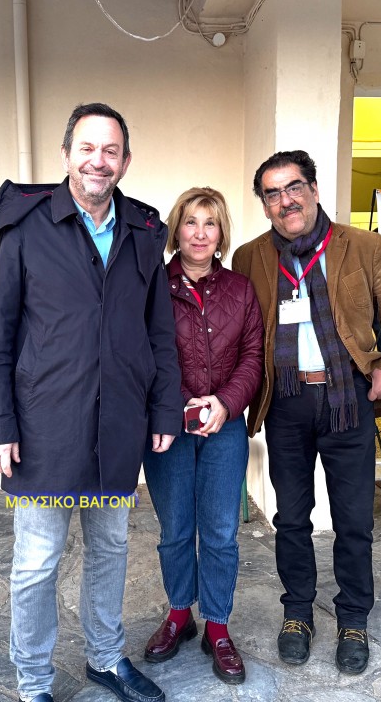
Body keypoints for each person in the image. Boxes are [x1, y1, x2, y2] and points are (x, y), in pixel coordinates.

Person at [0, 102, 182, 702]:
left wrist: (164, 410)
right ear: (66, 154)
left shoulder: (143, 232)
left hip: (118, 424)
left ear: (125, 161)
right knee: (38, 561)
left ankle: (105, 658)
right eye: (87, 148)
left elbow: (158, 332)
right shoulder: (26, 227)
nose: (99, 160)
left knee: (111, 550)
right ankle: (34, 681)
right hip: (45, 428)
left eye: (110, 150)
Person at [231, 150, 381, 675]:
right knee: (291, 518)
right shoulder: (249, 258)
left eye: (294, 187)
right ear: (265, 205)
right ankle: (297, 612)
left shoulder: (362, 246)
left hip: (347, 400)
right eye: (273, 193)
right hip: (286, 403)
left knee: (354, 520)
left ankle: (353, 618)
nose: (285, 200)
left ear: (313, 190)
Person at [141, 187, 263, 685]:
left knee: (219, 532)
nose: (199, 233)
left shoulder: (241, 290)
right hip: (168, 428)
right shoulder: (152, 285)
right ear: (177, 229)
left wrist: (225, 403)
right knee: (174, 529)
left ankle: (216, 625)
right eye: (190, 221)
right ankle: (179, 615)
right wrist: (177, 407)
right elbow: (143, 355)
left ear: (221, 233)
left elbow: (253, 356)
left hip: (224, 427)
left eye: (209, 223)